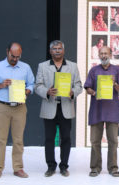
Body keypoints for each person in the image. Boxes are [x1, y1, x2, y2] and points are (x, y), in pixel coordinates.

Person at [0, 42, 35, 179]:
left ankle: (18, 168)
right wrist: (1, 85)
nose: (15, 59)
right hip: (2, 107)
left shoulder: (26, 68)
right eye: (13, 56)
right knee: (1, 139)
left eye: (18, 57)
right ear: (7, 52)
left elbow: (32, 83)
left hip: (19, 107)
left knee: (18, 139)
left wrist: (27, 91)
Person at [34, 40, 82, 177]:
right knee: (49, 139)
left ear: (63, 50)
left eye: (59, 48)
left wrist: (73, 92)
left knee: (66, 138)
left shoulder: (72, 66)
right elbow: (37, 86)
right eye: (54, 49)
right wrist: (47, 92)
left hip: (66, 107)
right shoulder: (42, 66)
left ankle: (64, 166)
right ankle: (50, 166)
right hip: (49, 106)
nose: (57, 51)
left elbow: (79, 85)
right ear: (50, 51)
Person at [84, 46, 119, 177]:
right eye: (101, 53)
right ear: (99, 55)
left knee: (113, 140)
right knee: (95, 141)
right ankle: (95, 167)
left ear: (111, 54)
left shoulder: (117, 70)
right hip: (97, 109)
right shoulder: (94, 70)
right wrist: (94, 92)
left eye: (106, 53)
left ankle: (113, 167)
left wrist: (114, 84)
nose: (103, 56)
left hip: (112, 110)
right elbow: (87, 88)